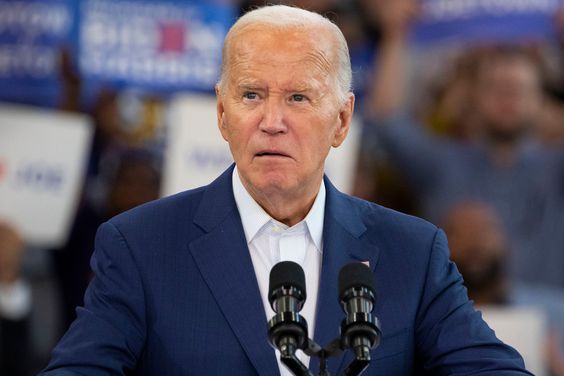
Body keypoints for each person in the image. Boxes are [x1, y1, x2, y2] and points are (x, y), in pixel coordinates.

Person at [41, 5, 531, 375]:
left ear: (341, 120)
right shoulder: (140, 246)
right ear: (222, 114)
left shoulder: (413, 252)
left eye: (298, 98)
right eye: (251, 95)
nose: (271, 122)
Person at [362, 0, 564, 290]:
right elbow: (385, 120)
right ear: (474, 97)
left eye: (519, 89)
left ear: (540, 101)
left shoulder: (556, 168)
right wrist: (396, 35)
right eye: (496, 87)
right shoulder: (441, 162)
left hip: (549, 328)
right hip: (454, 322)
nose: (507, 99)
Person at [441, 201, 564, 375]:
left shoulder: (555, 314)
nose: (473, 241)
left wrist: (557, 366)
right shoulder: (429, 323)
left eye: (484, 229)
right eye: (457, 233)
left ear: (507, 241)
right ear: (437, 249)